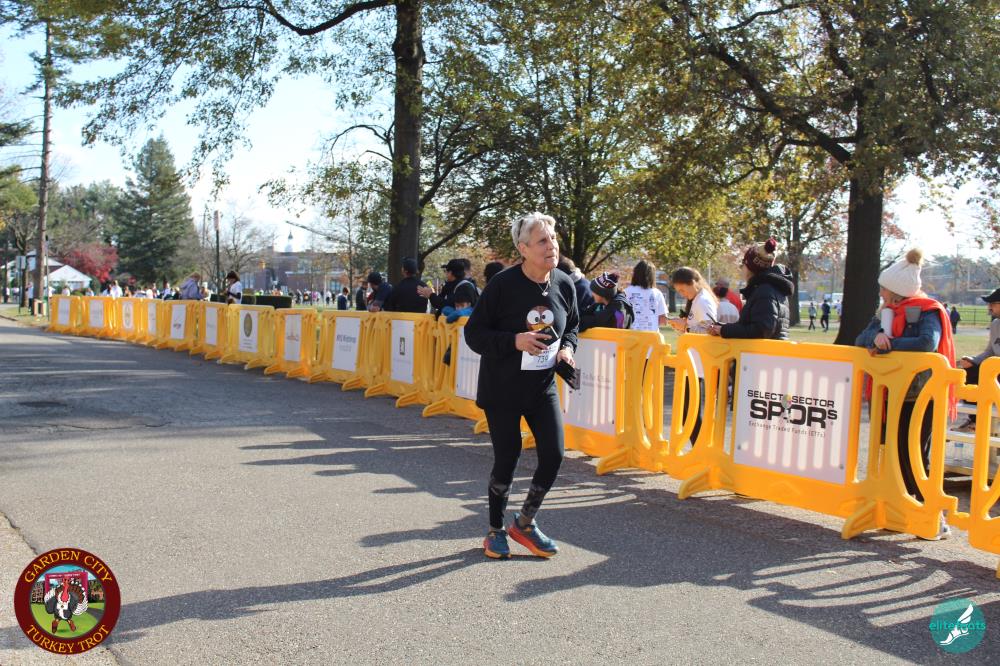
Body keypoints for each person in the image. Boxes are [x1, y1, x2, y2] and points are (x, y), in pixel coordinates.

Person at [464, 212, 579, 560]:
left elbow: (572, 326)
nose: (552, 246)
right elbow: (474, 334)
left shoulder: (564, 283)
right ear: (523, 248)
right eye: (542, 241)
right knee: (508, 457)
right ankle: (495, 530)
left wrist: (567, 348)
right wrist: (514, 341)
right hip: (502, 388)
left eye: (553, 239)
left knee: (554, 454)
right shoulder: (502, 285)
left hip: (541, 387)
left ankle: (525, 523)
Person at [854, 249, 955, 539]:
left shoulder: (928, 310)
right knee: (896, 454)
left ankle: (933, 517)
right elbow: (861, 338)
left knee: (916, 456)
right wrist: (876, 337)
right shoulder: (885, 312)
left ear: (895, 291)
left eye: (884, 289)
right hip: (894, 394)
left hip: (921, 395)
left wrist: (890, 344)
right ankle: (903, 511)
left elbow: (927, 342)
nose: (881, 293)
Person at [667, 267, 719, 445]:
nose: (682, 294)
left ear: (694, 283)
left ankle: (701, 448)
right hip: (694, 363)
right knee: (688, 412)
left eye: (683, 290)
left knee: (689, 412)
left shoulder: (702, 301)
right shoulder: (698, 299)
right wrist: (683, 325)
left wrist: (685, 327)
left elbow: (709, 330)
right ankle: (700, 448)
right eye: (679, 291)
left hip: (699, 364)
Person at [707, 238, 792, 340]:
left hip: (765, 350)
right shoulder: (769, 289)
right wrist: (723, 328)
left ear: (751, 268)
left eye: (743, 263)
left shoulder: (765, 292)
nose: (742, 267)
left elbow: (761, 330)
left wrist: (724, 330)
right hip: (771, 349)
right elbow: (752, 326)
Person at [954, 289, 1000, 431]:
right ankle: (974, 419)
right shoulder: (995, 324)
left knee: (986, 374)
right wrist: (973, 360)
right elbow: (990, 351)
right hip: (995, 370)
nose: (989, 307)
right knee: (969, 370)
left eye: (993, 303)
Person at [625, 260, 667, 331]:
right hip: (651, 335)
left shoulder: (626, 292)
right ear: (652, 276)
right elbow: (663, 320)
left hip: (630, 334)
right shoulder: (657, 293)